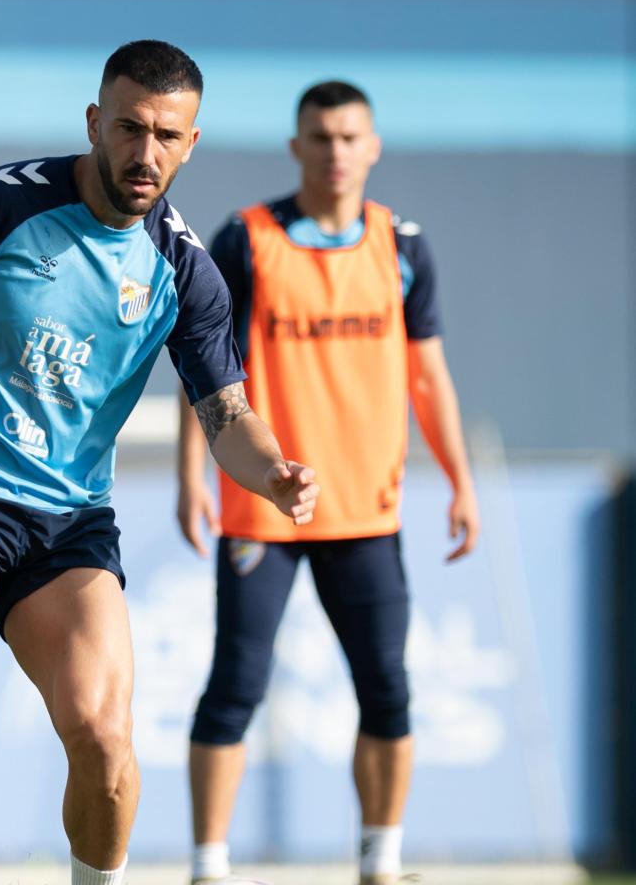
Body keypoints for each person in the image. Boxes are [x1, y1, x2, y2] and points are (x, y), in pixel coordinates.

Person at [0, 39, 320, 885]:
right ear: (96, 122)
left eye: (168, 136)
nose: (146, 154)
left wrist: (275, 472)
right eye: (131, 128)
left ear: (192, 143)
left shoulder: (185, 272)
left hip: (68, 524)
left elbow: (229, 417)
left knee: (104, 738)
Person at [177, 80, 479, 885]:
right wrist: (191, 477)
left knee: (387, 688)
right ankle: (209, 866)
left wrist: (460, 481)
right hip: (263, 504)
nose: (336, 151)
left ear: (372, 146)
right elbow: (205, 372)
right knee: (234, 687)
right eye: (320, 136)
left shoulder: (401, 246)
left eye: (350, 137)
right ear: (296, 146)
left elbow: (430, 379)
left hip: (365, 509)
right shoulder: (246, 240)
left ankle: (381, 861)